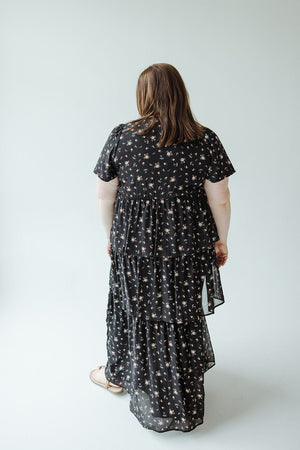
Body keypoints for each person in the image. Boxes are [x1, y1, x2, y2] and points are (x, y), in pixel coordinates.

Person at [89, 63, 236, 432]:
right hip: (186, 243)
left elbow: (105, 193)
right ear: (181, 94)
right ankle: (180, 389)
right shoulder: (205, 138)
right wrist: (222, 238)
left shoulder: (122, 136)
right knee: (179, 308)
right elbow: (220, 198)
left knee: (133, 305)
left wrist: (109, 235)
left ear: (144, 96)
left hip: (133, 242)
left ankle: (121, 375)